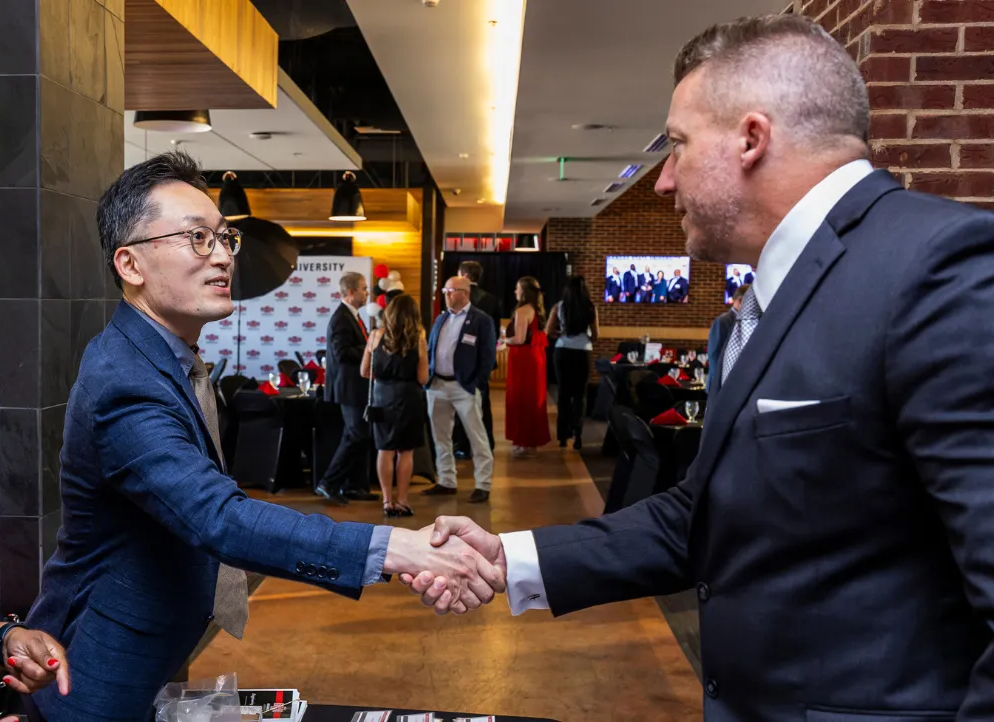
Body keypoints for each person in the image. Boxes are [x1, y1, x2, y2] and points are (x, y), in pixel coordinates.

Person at [404, 14, 994, 721]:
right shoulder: (761, 304)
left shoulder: (942, 271)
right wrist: (510, 559)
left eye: (677, 145)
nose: (662, 181)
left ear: (751, 138)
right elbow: (703, 515)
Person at [24, 152, 505, 722]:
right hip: (90, 673)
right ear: (130, 264)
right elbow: (219, 518)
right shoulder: (123, 379)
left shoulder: (164, 358)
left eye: (223, 238)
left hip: (148, 650)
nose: (223, 255)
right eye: (197, 238)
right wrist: (398, 549)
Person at [422, 276, 497, 504]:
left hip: (464, 387)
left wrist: (476, 383)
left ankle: (483, 484)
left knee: (477, 437)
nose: (446, 295)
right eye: (445, 290)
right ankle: (446, 480)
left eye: (451, 291)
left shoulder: (481, 320)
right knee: (441, 437)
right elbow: (431, 348)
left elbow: (488, 357)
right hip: (437, 385)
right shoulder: (441, 318)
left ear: (465, 293)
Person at [361, 294, 429, 518]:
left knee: (385, 450)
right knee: (405, 452)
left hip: (382, 397)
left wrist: (384, 378)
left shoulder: (375, 335)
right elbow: (422, 377)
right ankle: (403, 500)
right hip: (409, 397)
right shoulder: (418, 339)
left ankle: (387, 500)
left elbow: (364, 371)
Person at [314, 271, 379, 504]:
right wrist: (369, 348)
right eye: (364, 288)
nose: (367, 293)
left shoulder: (353, 315)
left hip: (357, 387)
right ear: (351, 292)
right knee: (355, 434)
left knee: (361, 435)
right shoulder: (342, 318)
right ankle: (328, 483)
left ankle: (355, 486)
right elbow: (342, 353)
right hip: (349, 388)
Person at [546, 276, 599, 449]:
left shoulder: (559, 307)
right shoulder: (590, 307)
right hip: (583, 352)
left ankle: (563, 435)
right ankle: (578, 435)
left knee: (563, 393)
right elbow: (596, 336)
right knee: (579, 395)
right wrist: (585, 336)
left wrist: (561, 334)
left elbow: (548, 331)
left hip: (562, 351)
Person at [454, 261, 499, 453]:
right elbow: (494, 334)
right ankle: (487, 443)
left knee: (461, 402)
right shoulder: (492, 300)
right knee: (483, 402)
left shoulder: (458, 297)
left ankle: (463, 445)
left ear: (464, 276)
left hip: (462, 359)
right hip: (483, 359)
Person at [504, 276, 551, 456]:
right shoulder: (537, 310)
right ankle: (530, 441)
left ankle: (523, 442)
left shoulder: (522, 311)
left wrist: (503, 340)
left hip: (524, 359)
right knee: (532, 397)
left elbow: (519, 339)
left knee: (521, 397)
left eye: (517, 288)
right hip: (535, 357)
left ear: (524, 291)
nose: (515, 291)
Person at [707, 283, 749, 392]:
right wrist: (722, 384)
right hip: (721, 386)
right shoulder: (722, 322)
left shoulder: (748, 321)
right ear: (740, 301)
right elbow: (714, 355)